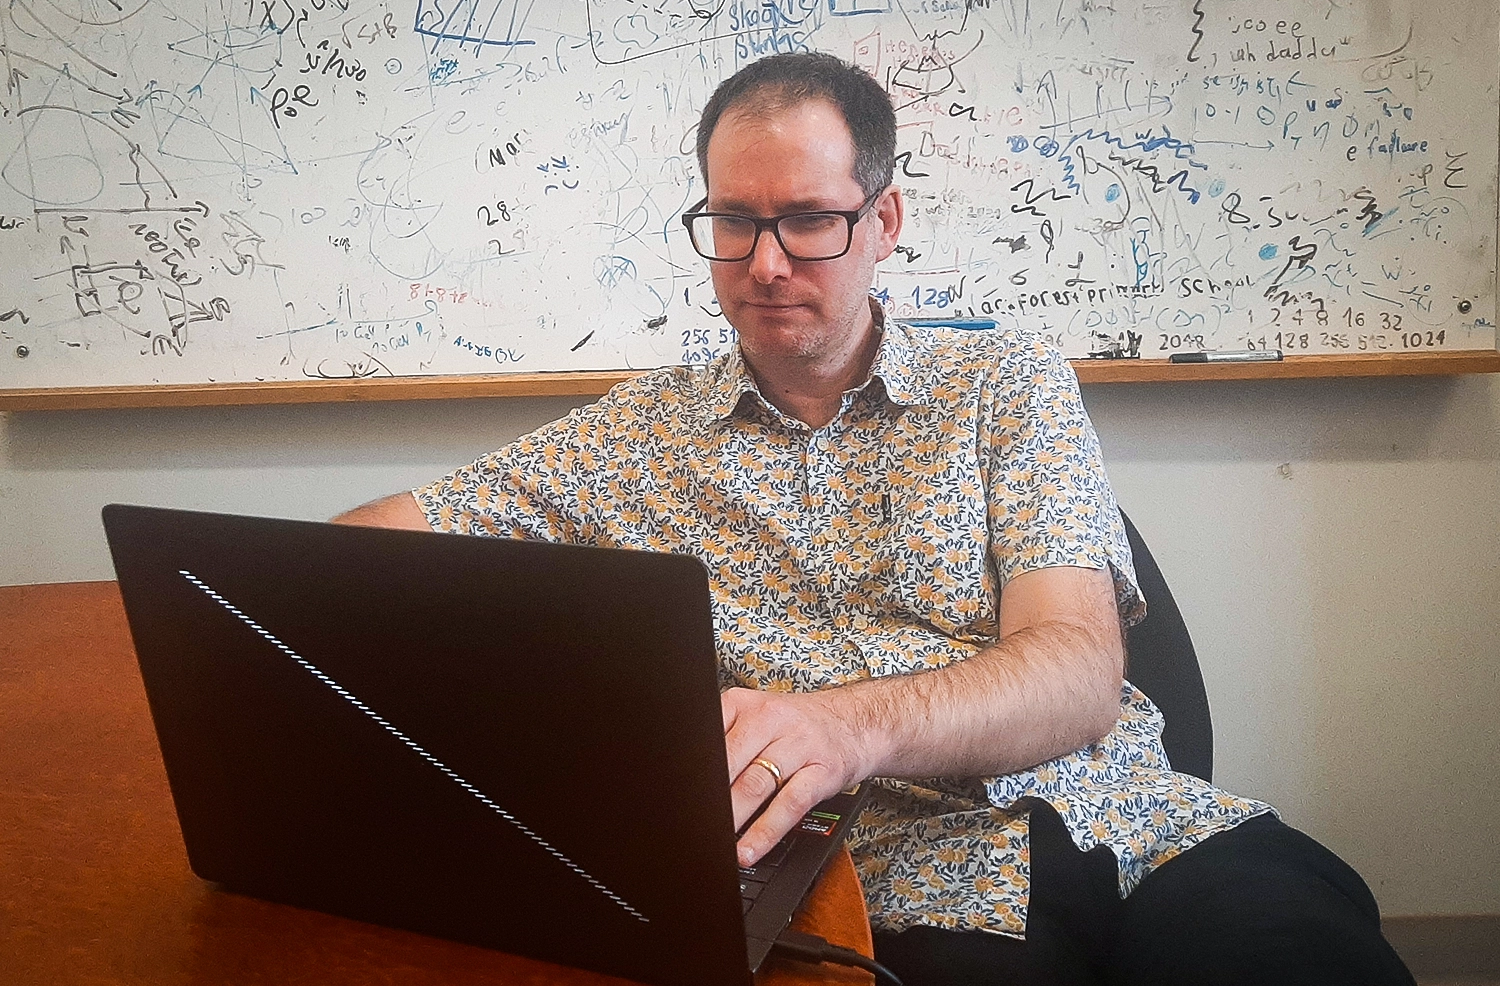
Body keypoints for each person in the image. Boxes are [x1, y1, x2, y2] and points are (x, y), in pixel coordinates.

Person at [336, 53, 1414, 986]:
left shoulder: (1006, 383)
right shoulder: (634, 436)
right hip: (894, 890)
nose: (764, 261)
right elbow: (369, 546)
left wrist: (842, 724)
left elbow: (1080, 671)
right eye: (733, 222)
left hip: (1129, 826)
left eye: (807, 218)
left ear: (883, 218)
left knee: (1294, 950)